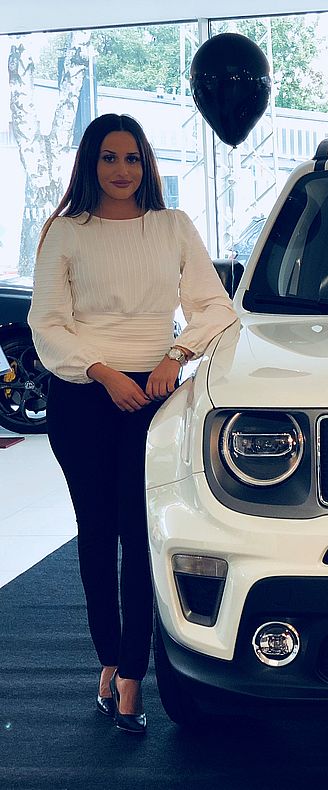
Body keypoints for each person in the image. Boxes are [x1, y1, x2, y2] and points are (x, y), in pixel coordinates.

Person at [28, 113, 237, 734]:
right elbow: (48, 323)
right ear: (89, 164)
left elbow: (214, 307)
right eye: (109, 158)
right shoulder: (65, 233)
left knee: (140, 537)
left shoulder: (171, 227)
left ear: (147, 166)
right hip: (84, 398)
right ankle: (110, 662)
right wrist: (102, 372)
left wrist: (175, 356)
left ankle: (129, 677)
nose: (122, 171)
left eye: (133, 159)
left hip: (152, 395)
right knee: (96, 534)